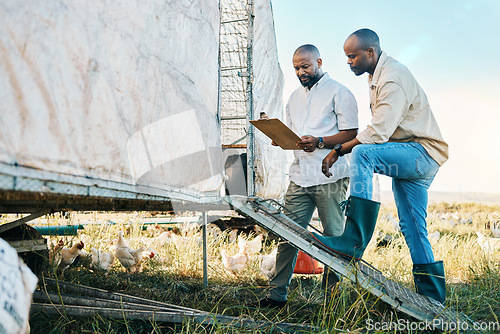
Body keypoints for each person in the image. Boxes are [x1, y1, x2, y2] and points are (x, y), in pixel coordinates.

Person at [313, 29, 449, 304]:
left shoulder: (392, 77)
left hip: (420, 153)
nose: (349, 62)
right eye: (346, 57)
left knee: (363, 153)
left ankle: (353, 239)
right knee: (412, 226)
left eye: (352, 56)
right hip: (411, 155)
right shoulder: (377, 75)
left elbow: (379, 132)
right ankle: (433, 299)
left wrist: (338, 150)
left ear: (370, 53)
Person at [258, 44, 359, 309]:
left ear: (319, 62)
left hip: (330, 177)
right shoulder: (294, 97)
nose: (300, 72)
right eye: (296, 68)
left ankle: (332, 303)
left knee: (334, 239)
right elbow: (294, 134)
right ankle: (277, 295)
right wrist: (279, 138)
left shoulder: (340, 92)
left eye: (305, 66)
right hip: (300, 176)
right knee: (287, 235)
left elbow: (351, 134)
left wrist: (320, 141)